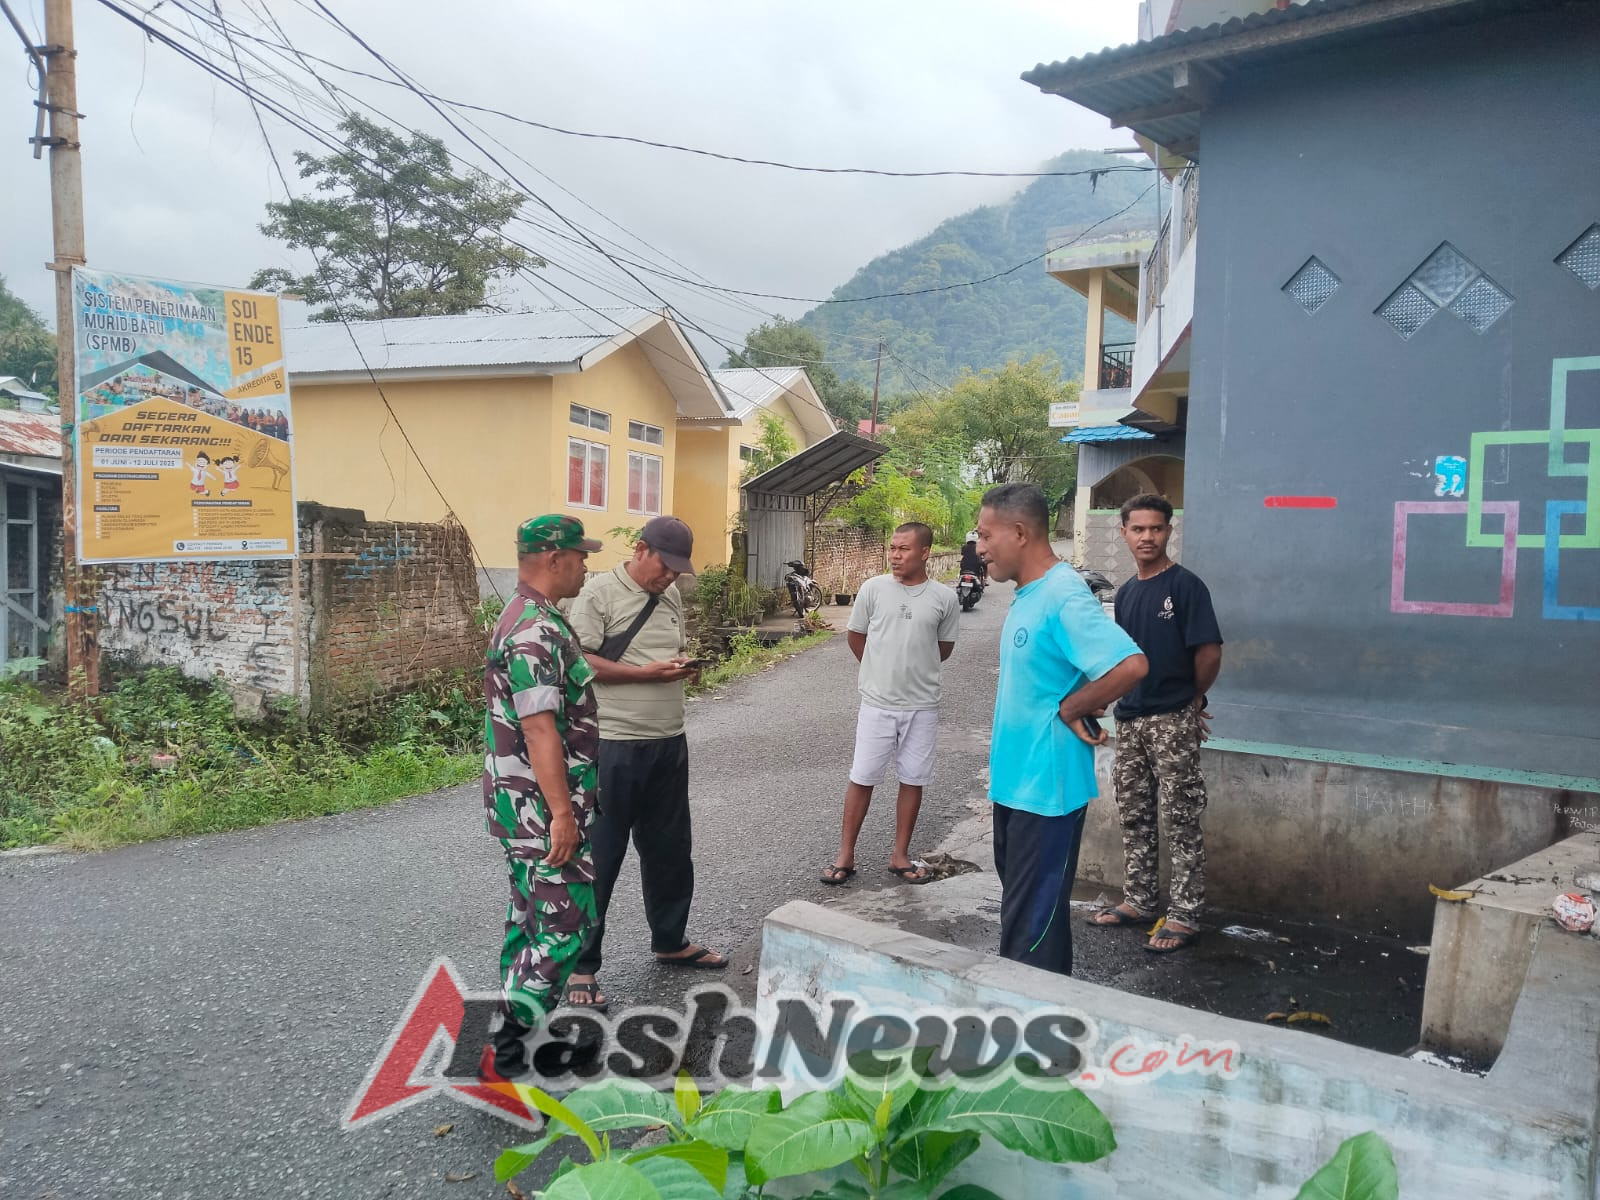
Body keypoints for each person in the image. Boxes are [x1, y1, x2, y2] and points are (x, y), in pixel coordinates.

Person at [976, 482, 1147, 976]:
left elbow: (1130, 664)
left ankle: (1033, 1039)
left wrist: (1076, 707)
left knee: (1034, 925)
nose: (979, 546)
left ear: (1020, 532)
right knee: (1022, 914)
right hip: (1016, 784)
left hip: (1047, 789)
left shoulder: (1063, 594)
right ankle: (1028, 1023)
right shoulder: (1029, 595)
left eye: (987, 535)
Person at [563, 515, 727, 1013]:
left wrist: (678, 671)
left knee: (671, 849)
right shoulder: (597, 595)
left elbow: (665, 652)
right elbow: (581, 662)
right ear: (640, 549)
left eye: (678, 570)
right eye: (664, 566)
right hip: (613, 745)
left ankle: (670, 939)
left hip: (667, 742)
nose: (670, 577)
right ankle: (582, 967)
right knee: (601, 858)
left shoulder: (670, 593)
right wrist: (644, 675)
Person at [480, 514, 604, 1079]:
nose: (585, 565)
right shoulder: (535, 630)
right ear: (555, 559)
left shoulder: (531, 616)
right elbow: (539, 729)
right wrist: (561, 815)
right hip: (541, 810)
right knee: (563, 928)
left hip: (523, 808)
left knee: (528, 919)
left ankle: (517, 1038)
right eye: (580, 556)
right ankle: (509, 1055)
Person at [1088, 494, 1223, 954]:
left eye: (1156, 529)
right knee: (1135, 812)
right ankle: (1141, 900)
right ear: (1124, 533)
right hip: (1132, 718)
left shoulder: (1186, 587)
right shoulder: (1125, 594)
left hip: (1172, 718)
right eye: (1138, 529)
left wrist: (1193, 697)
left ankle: (1184, 914)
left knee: (1181, 815)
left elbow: (1209, 651)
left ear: (1169, 532)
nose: (1147, 537)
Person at [822, 522, 960, 887]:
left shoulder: (944, 598)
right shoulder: (873, 588)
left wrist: (911, 669)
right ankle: (845, 855)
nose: (895, 555)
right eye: (893, 548)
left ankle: (900, 855)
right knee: (862, 776)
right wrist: (879, 670)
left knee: (913, 779)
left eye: (904, 549)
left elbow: (942, 650)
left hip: (922, 705)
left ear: (925, 552)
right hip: (877, 703)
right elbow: (856, 636)